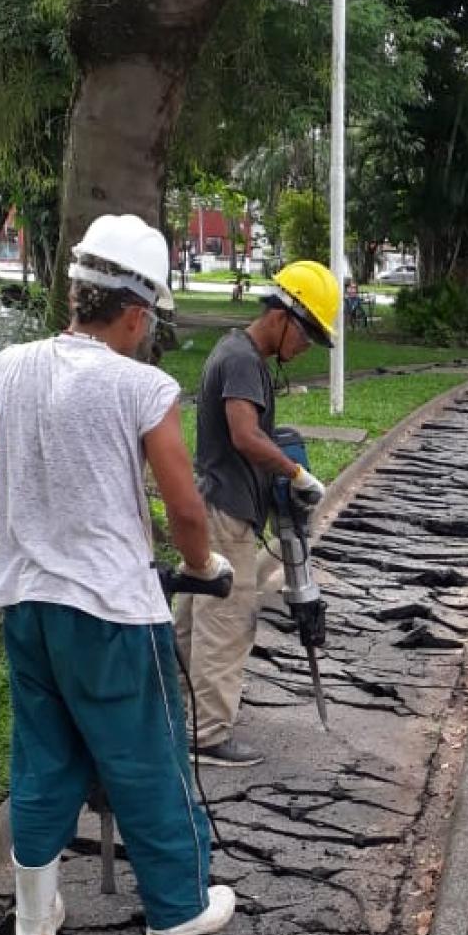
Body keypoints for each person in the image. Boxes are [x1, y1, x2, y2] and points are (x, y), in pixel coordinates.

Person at [0, 214, 236, 935]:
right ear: (134, 312)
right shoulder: (141, 385)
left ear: (79, 292)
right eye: (150, 321)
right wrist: (202, 568)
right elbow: (185, 507)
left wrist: (2, 548)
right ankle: (177, 908)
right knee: (147, 756)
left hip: (28, 608)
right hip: (111, 614)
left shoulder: (10, 367)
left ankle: (36, 926)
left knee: (42, 760)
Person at [175, 261, 336, 768]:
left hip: (212, 500)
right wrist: (295, 474)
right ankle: (207, 735)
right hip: (226, 510)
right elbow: (245, 435)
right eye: (306, 334)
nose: (306, 346)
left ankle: (177, 716)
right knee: (228, 620)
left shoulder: (237, 353)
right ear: (283, 315)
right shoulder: (243, 360)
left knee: (193, 618)